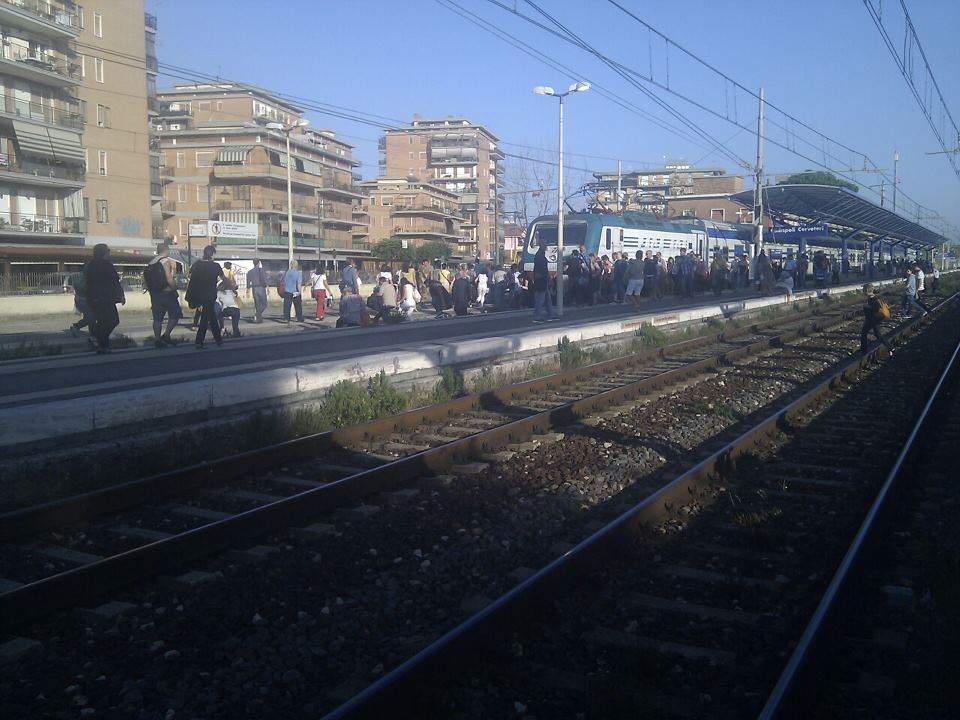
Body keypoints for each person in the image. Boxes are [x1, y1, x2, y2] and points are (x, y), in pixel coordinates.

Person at [84, 243, 124, 354]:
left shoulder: (90, 265)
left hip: (93, 297)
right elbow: (115, 281)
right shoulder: (107, 265)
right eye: (108, 251)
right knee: (113, 320)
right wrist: (120, 295)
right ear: (103, 253)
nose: (109, 253)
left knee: (102, 321)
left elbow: (88, 281)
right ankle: (98, 338)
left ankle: (103, 345)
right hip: (106, 298)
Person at [185, 245, 224, 349]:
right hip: (210, 295)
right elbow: (223, 278)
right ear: (212, 254)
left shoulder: (197, 264)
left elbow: (189, 276)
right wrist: (232, 285)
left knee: (210, 317)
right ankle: (200, 342)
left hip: (198, 295)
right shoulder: (215, 266)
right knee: (206, 319)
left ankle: (218, 340)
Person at [144, 242, 181, 348]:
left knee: (157, 318)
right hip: (167, 292)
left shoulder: (151, 262)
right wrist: (175, 287)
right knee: (175, 313)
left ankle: (157, 339)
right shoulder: (165, 261)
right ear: (166, 250)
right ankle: (166, 335)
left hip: (155, 293)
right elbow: (169, 278)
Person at [859, 285, 893, 355]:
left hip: (873, 320)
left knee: (865, 333)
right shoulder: (873, 298)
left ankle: (863, 351)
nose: (863, 292)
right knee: (877, 335)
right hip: (873, 320)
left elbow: (877, 309)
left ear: (867, 291)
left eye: (864, 290)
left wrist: (866, 307)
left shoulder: (874, 299)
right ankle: (890, 348)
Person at [531, 243, 555, 323]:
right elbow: (541, 268)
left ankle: (551, 314)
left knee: (547, 299)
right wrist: (545, 276)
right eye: (545, 245)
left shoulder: (540, 255)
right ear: (543, 247)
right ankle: (537, 316)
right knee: (540, 300)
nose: (547, 247)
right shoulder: (540, 256)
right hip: (541, 280)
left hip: (543, 280)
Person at [67, 266, 92, 337]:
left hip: (79, 299)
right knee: (91, 317)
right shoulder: (86, 277)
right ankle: (76, 326)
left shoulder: (76, 276)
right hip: (84, 299)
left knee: (90, 317)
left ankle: (91, 333)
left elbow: (72, 286)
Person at [245, 258, 268, 323]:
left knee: (257, 304)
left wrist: (248, 291)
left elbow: (248, 282)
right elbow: (263, 279)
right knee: (264, 304)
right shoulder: (261, 270)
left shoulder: (250, 272)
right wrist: (266, 286)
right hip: (261, 287)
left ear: (253, 263)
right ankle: (257, 315)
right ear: (259, 263)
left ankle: (259, 319)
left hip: (254, 288)